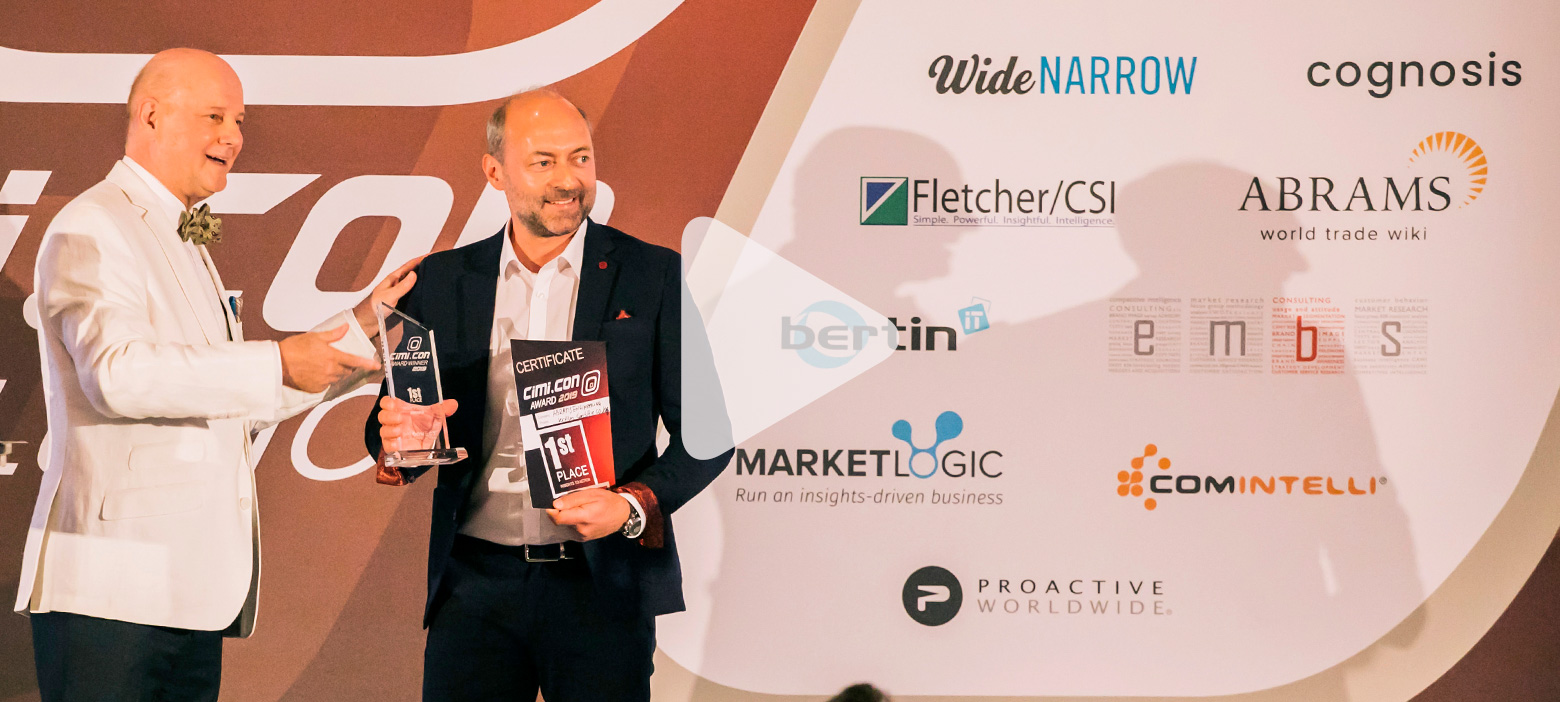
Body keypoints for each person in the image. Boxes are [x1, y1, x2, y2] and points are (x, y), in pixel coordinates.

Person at [16, 48, 420, 702]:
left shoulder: (184, 235)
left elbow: (230, 399)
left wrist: (360, 327)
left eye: (239, 121)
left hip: (189, 597)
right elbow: (115, 376)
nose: (233, 137)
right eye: (215, 116)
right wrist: (279, 361)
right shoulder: (93, 223)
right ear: (151, 115)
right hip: (113, 594)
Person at [365, 88, 731, 702]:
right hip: (473, 587)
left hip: (600, 585)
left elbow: (707, 435)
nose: (568, 180)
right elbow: (395, 422)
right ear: (494, 172)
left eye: (581, 158)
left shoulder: (651, 274)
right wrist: (401, 440)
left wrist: (630, 506)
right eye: (543, 162)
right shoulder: (443, 280)